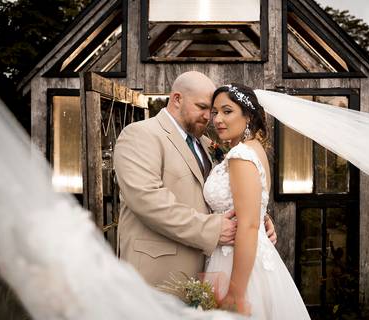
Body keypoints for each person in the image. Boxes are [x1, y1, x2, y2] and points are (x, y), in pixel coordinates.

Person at [113, 71, 276, 287]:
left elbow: (229, 191)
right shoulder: (140, 134)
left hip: (205, 271)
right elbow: (147, 200)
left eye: (213, 110)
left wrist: (257, 214)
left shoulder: (206, 144)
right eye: (202, 107)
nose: (210, 117)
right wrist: (214, 229)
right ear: (177, 99)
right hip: (157, 274)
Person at [204, 84, 311, 319]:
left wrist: (235, 293)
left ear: (248, 116)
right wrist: (264, 215)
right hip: (247, 255)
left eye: (227, 111)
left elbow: (249, 225)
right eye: (214, 112)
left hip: (237, 263)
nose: (218, 119)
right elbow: (254, 208)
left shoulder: (240, 155)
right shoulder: (254, 149)